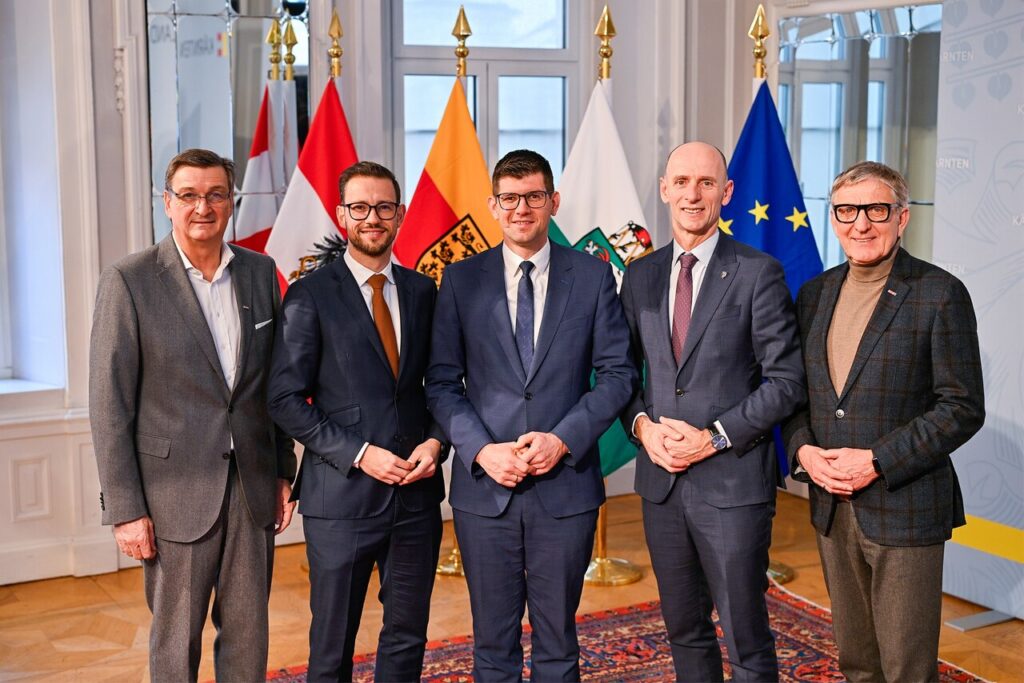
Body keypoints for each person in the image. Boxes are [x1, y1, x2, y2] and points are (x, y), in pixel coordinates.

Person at [426, 149, 636, 682]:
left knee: (558, 643)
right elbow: (442, 384)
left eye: (534, 197)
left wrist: (562, 440)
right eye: (511, 199)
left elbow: (618, 375)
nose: (522, 209)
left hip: (565, 488)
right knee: (492, 643)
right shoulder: (461, 280)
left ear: (553, 202)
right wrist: (481, 451)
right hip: (485, 491)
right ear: (493, 205)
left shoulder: (592, 277)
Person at [89, 148, 296, 682]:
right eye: (188, 195)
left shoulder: (259, 272)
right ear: (167, 203)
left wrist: (282, 471)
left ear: (232, 201)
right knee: (176, 642)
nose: (202, 207)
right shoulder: (129, 279)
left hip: (252, 488)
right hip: (172, 496)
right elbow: (110, 405)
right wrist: (125, 509)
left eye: (215, 194)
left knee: (249, 636)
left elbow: (272, 386)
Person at [783, 161, 985, 682]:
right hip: (831, 506)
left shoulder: (939, 293)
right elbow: (797, 395)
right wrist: (803, 451)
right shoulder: (814, 295)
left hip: (905, 506)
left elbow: (962, 407)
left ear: (902, 217)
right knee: (857, 661)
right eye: (846, 211)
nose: (861, 224)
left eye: (876, 209)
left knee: (906, 669)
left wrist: (876, 460)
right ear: (833, 218)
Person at [620, 141, 806, 682]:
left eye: (706, 183)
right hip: (661, 485)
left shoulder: (757, 272)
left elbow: (787, 382)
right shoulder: (640, 275)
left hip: (733, 485)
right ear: (664, 190)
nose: (692, 194)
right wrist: (642, 428)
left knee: (746, 636)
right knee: (684, 629)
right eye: (681, 182)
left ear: (726, 193)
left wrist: (715, 436)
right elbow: (620, 375)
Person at [267, 161, 447, 683]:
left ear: (400, 215)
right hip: (341, 499)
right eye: (361, 207)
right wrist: (361, 454)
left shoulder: (422, 292)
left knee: (408, 636)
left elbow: (440, 385)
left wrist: (437, 442)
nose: (373, 218)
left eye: (384, 207)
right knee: (332, 645)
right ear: (342, 215)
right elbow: (284, 398)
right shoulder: (310, 294)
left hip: (415, 496)